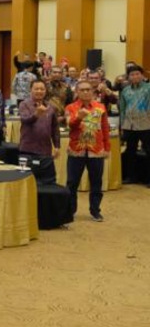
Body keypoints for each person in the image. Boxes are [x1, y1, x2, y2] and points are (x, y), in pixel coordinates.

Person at [65, 81, 110, 222]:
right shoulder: (70, 107)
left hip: (96, 150)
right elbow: (70, 125)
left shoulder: (100, 107)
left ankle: (95, 211)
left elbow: (105, 128)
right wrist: (79, 117)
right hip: (76, 150)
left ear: (93, 91)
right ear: (77, 92)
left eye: (88, 89)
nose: (85, 92)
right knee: (72, 183)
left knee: (96, 182)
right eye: (82, 90)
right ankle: (70, 211)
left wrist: (107, 147)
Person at [119, 65, 150, 184]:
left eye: (137, 74)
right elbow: (122, 108)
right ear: (128, 77)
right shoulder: (125, 90)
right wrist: (122, 125)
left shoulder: (148, 88)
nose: (135, 76)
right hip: (129, 125)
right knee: (130, 151)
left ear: (142, 75)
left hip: (146, 124)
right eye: (132, 74)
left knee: (148, 151)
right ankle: (131, 177)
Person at [18, 80, 61, 159]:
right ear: (30, 90)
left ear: (45, 91)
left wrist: (57, 146)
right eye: (36, 89)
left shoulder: (51, 107)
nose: (39, 91)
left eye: (42, 89)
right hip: (28, 149)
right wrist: (36, 114)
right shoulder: (24, 104)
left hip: (45, 150)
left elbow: (55, 128)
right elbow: (25, 119)